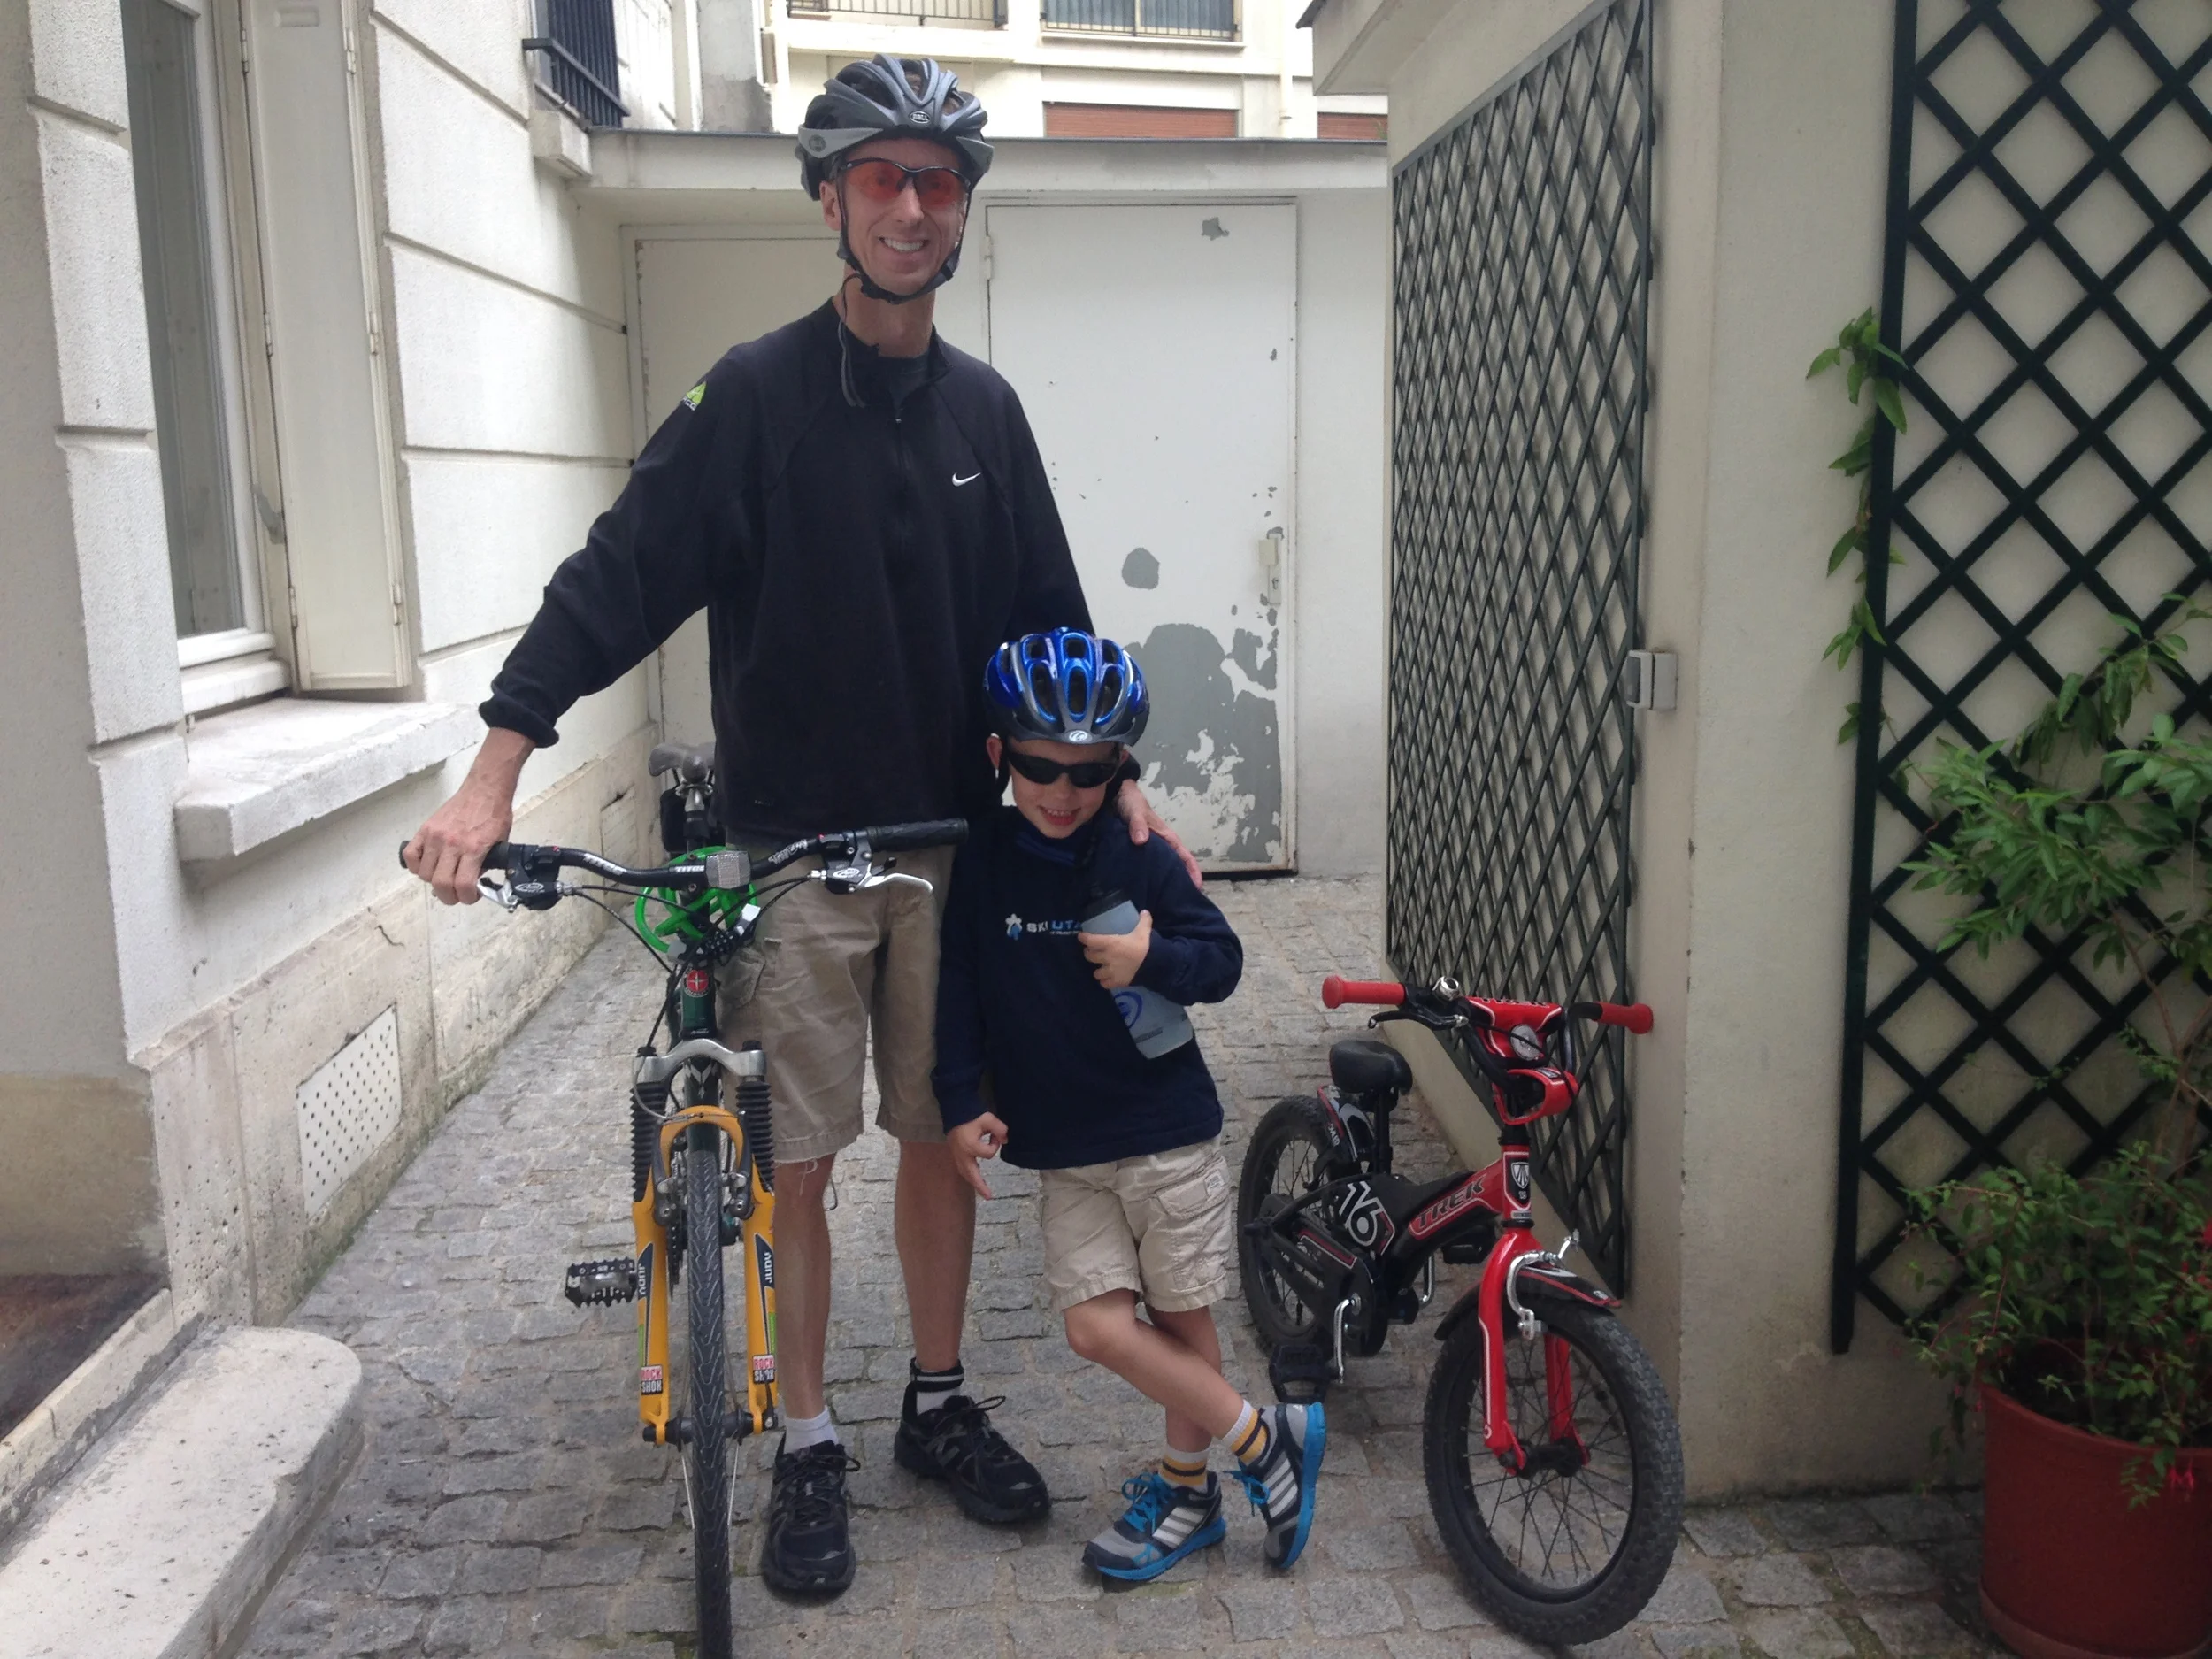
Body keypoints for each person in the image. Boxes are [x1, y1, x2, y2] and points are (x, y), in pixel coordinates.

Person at [400, 57, 1196, 1596]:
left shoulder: (987, 410)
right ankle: (810, 1437)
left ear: (962, 211)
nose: (913, 206)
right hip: (799, 862)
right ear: (831, 198)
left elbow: (1052, 623)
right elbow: (612, 580)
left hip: (958, 855)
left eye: (940, 181)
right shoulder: (752, 399)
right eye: (885, 178)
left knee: (945, 1146)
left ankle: (938, 1405)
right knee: (804, 1165)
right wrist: (495, 770)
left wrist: (1120, 797)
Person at [933, 629, 1326, 1583]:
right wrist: (954, 1102)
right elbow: (958, 987)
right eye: (1038, 767)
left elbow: (1223, 963)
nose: (1061, 792)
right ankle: (1264, 1440)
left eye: (1087, 773)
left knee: (1185, 1318)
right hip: (1064, 1149)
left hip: (1162, 1137)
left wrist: (1154, 959)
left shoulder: (1136, 852)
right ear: (1000, 756)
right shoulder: (983, 860)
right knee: (1093, 1325)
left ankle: (1187, 1495)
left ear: (1119, 768)